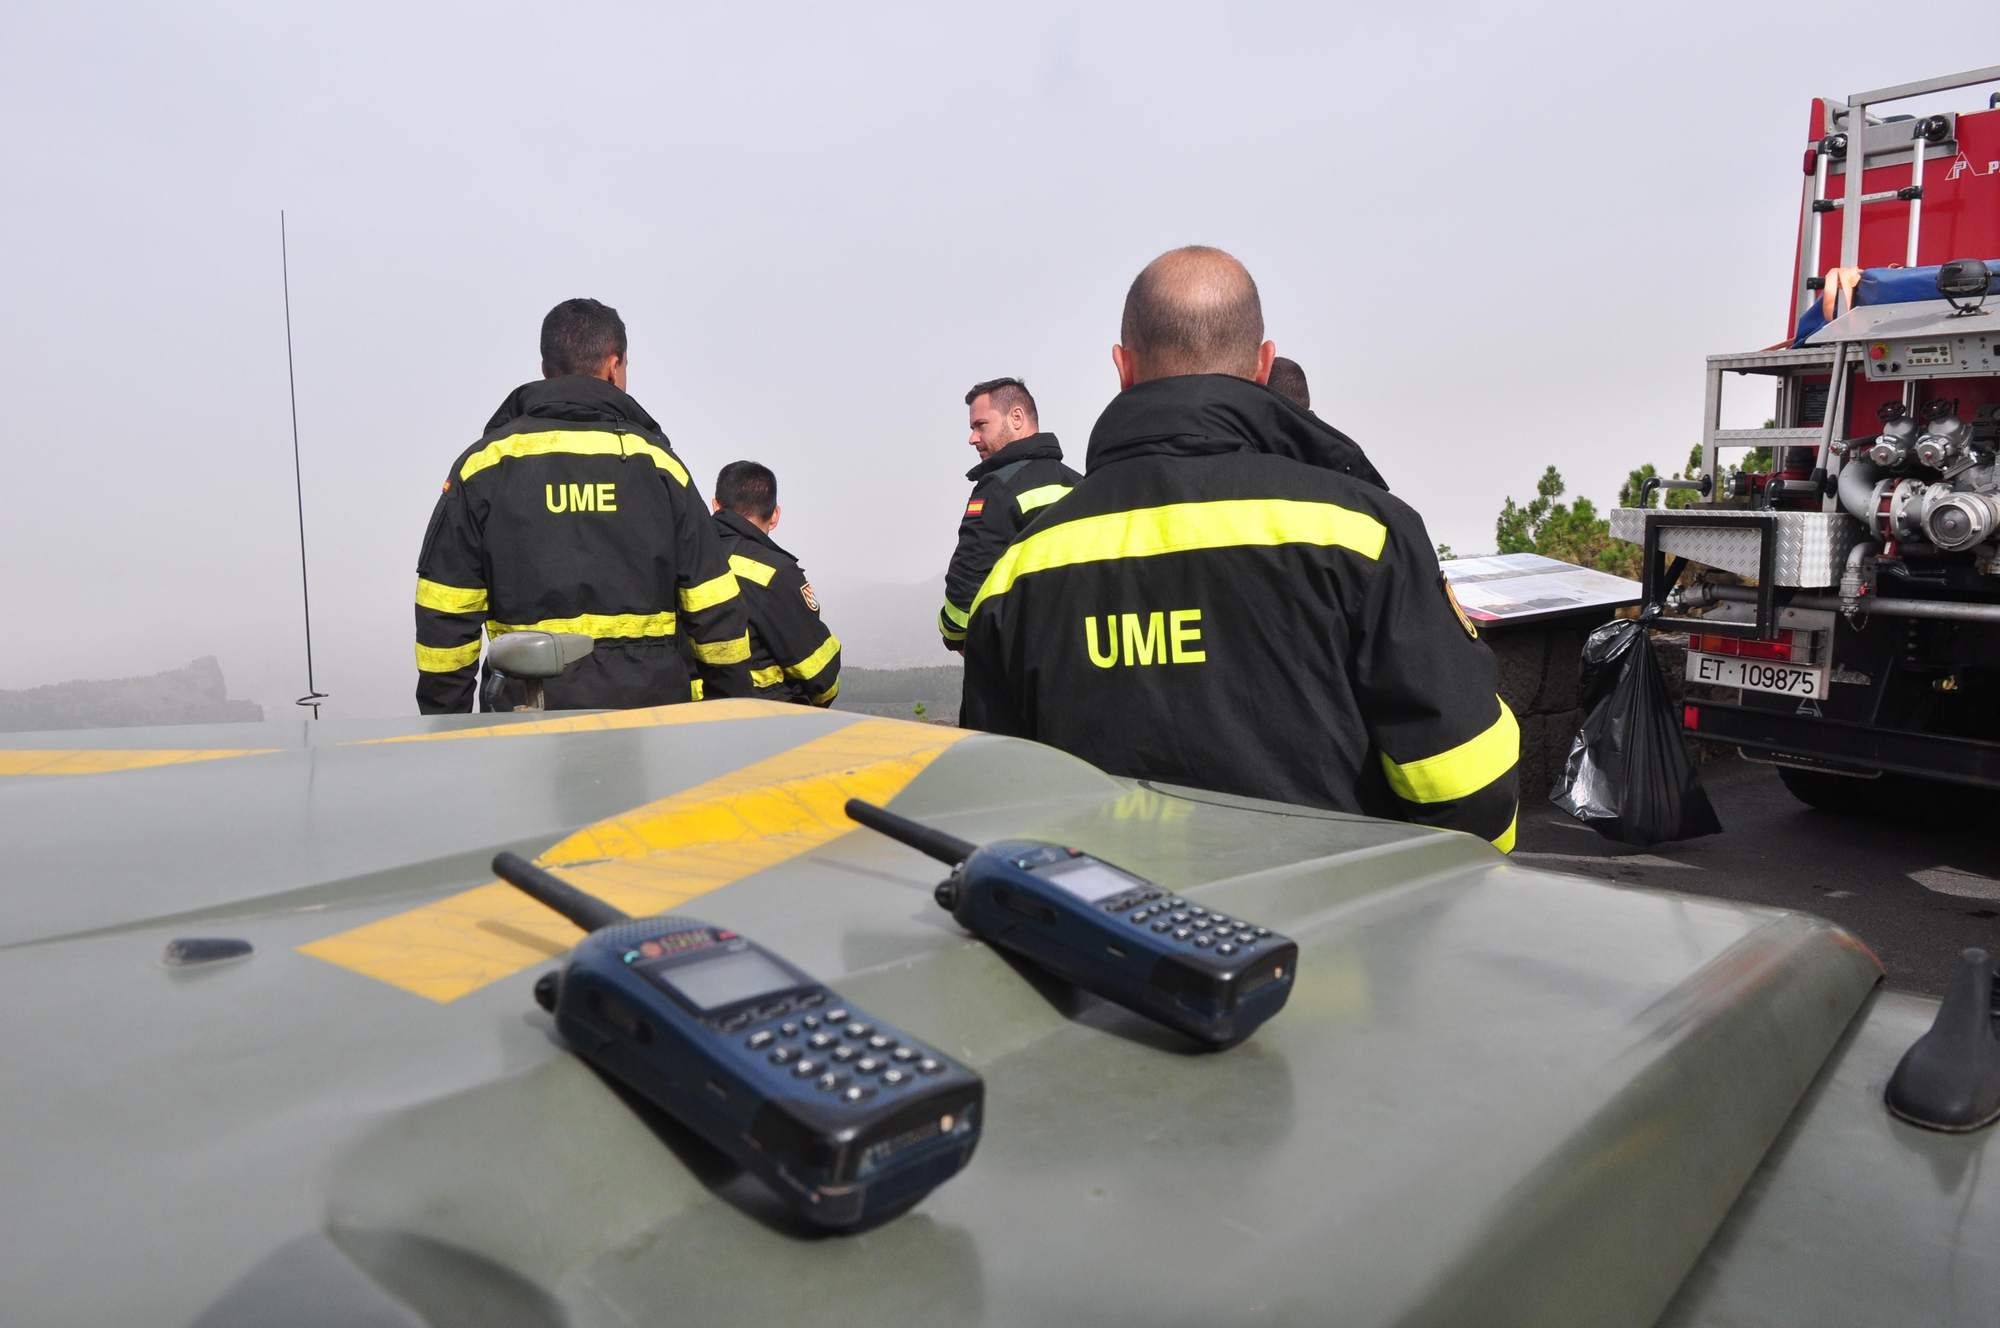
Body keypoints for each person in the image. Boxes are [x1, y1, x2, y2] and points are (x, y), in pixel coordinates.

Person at [960, 247, 1518, 850]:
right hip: (1332, 932)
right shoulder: (1362, 534)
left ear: (1122, 367)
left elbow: (999, 812)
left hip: (1110, 933)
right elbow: (1470, 787)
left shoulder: (1019, 572)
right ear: (1262, 365)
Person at [413, 298, 753, 712]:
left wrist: (446, 733)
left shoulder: (483, 467)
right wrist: (734, 717)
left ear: (545, 369)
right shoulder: (660, 468)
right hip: (651, 729)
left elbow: (445, 616)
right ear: (615, 365)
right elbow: (715, 607)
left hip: (524, 730)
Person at [937, 378, 1083, 652]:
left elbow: (964, 592)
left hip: (1020, 671)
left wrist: (954, 636)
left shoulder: (998, 489)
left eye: (981, 425)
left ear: (1016, 417)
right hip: (1082, 664)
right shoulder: (1081, 484)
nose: (972, 439)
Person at [710, 460, 842, 706]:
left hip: (680, 720)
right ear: (774, 516)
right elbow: (821, 676)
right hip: (763, 725)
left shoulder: (680, 558)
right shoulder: (774, 573)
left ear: (716, 506)